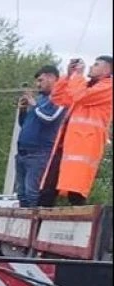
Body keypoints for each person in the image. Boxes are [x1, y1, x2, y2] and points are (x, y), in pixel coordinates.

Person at [41, 56, 113, 206]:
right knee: (48, 189)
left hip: (85, 145)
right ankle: (39, 224)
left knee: (76, 192)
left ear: (107, 69)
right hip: (67, 145)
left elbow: (80, 96)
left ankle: (83, 226)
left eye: (96, 64)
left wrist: (77, 76)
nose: (91, 67)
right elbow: (58, 98)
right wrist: (68, 76)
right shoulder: (83, 86)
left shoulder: (108, 86)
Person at [15, 65, 66, 208]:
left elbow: (49, 118)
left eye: (40, 80)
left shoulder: (59, 98)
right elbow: (24, 124)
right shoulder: (41, 99)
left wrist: (34, 104)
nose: (38, 85)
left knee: (33, 193)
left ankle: (34, 225)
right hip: (23, 153)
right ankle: (24, 225)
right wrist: (24, 109)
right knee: (22, 194)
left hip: (40, 153)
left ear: (52, 78)